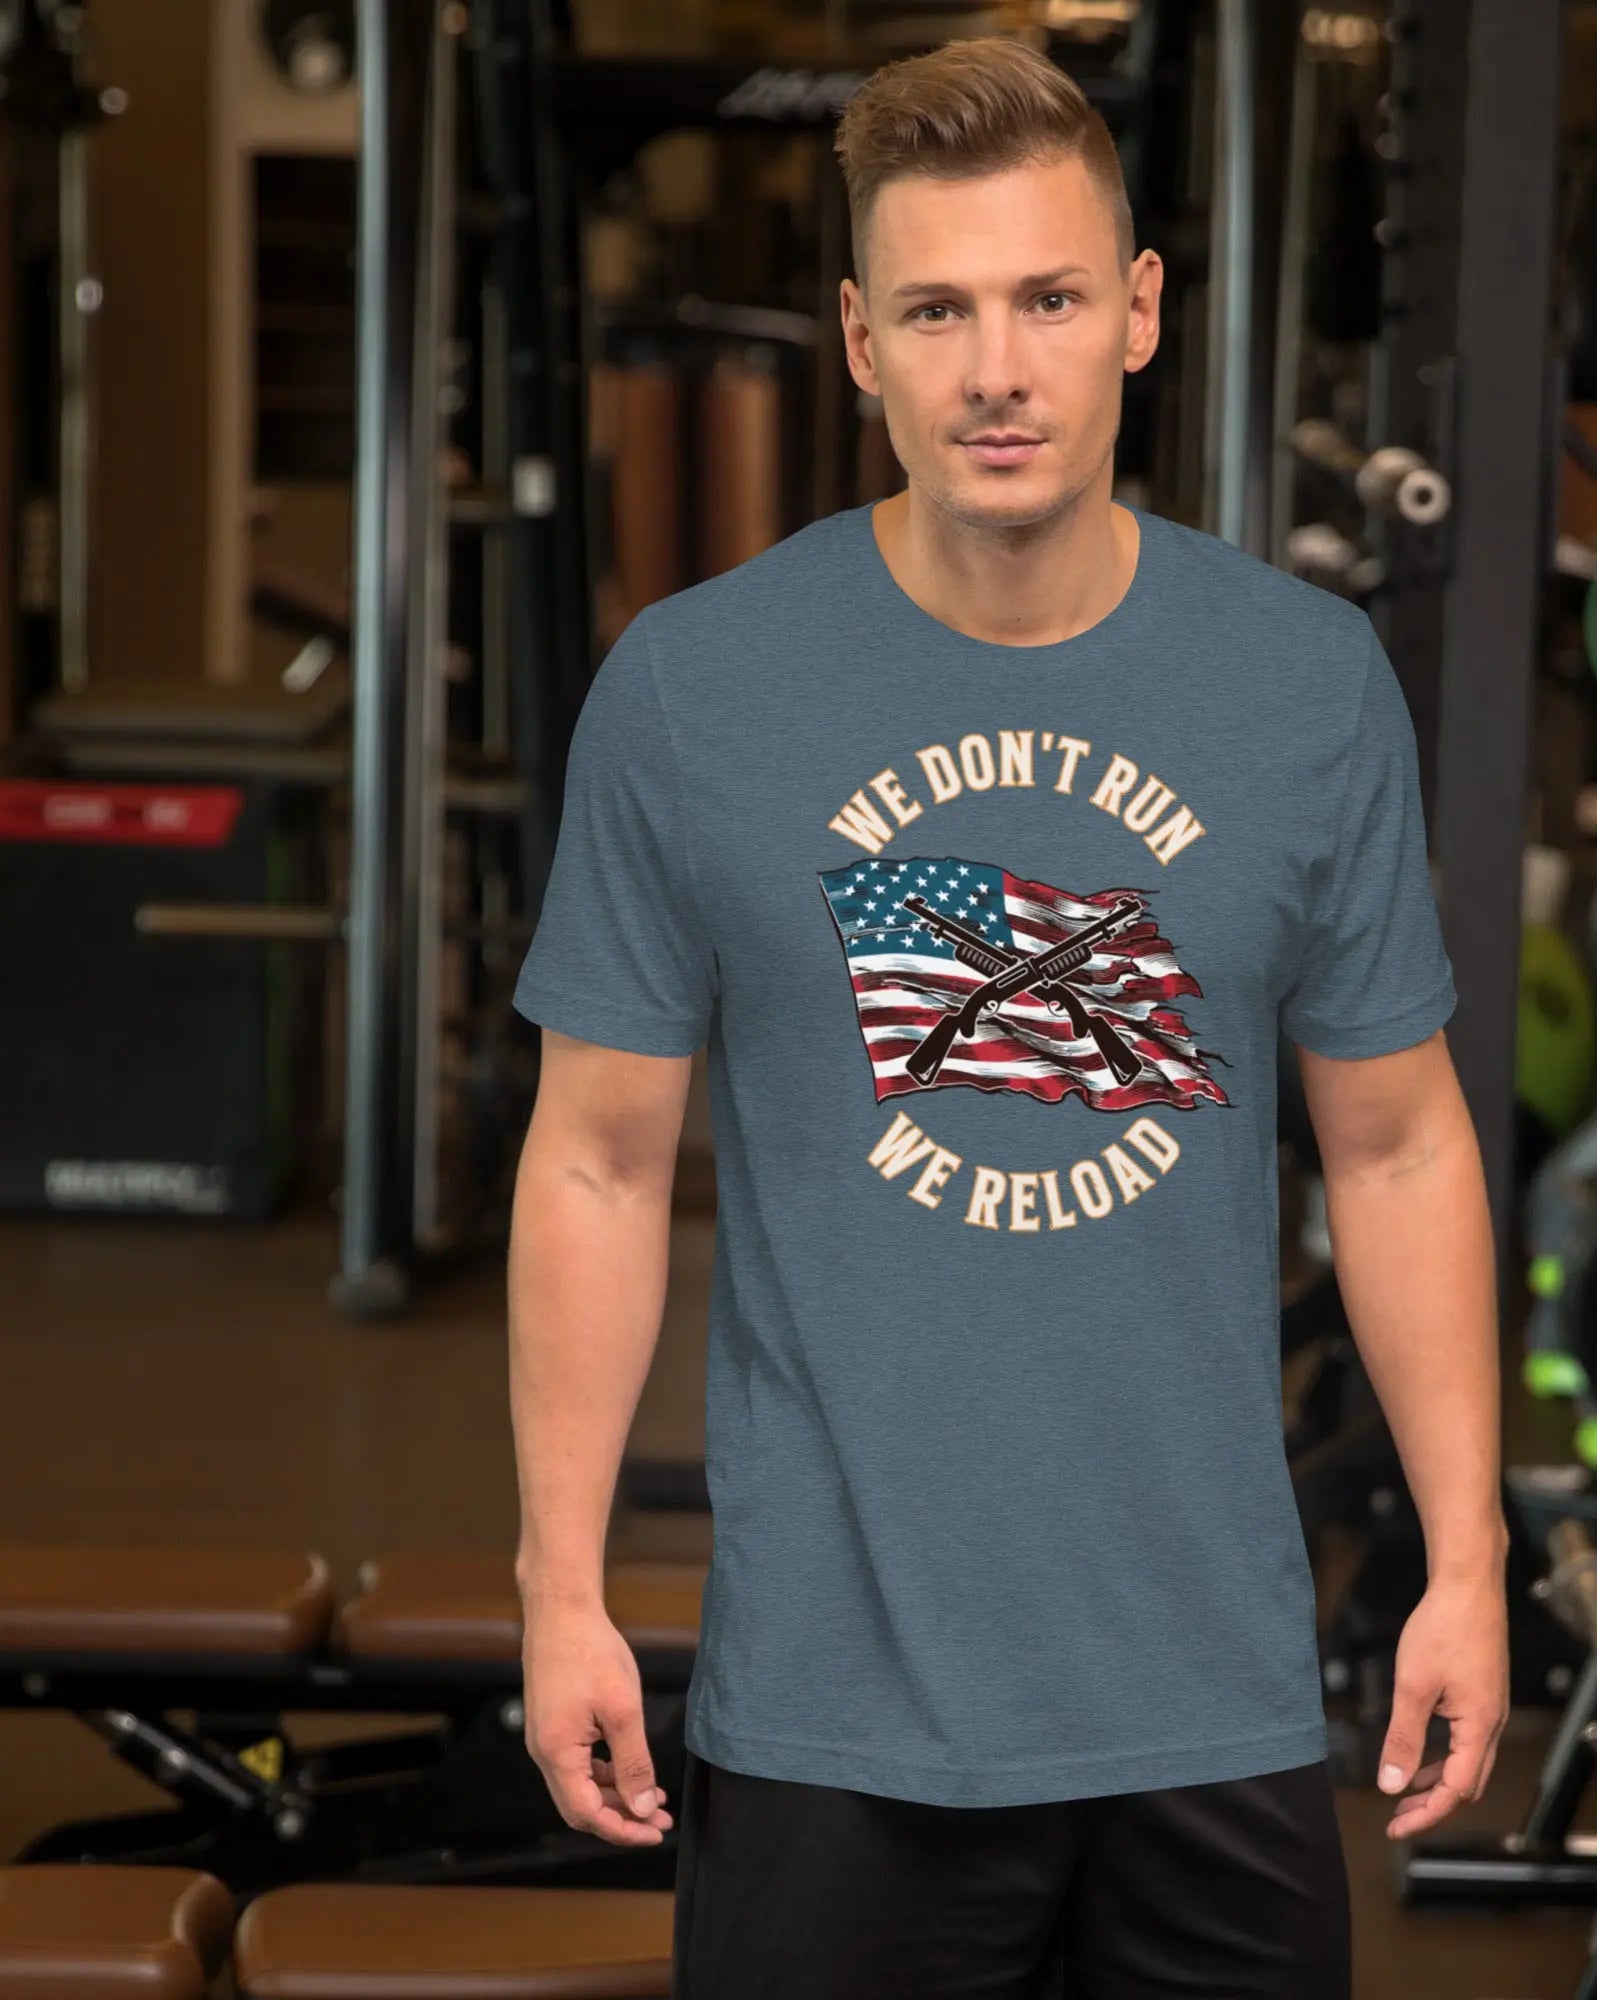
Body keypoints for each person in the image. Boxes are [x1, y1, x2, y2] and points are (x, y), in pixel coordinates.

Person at [507, 33, 1505, 1998]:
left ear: (1136, 315)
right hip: (834, 1711)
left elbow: (1397, 1141)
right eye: (940, 310)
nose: (996, 369)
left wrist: (1465, 1564)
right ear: (860, 339)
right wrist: (559, 1586)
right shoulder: (696, 691)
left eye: (1048, 298)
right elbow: (598, 1160)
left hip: (1205, 1700)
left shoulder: (1302, 686)